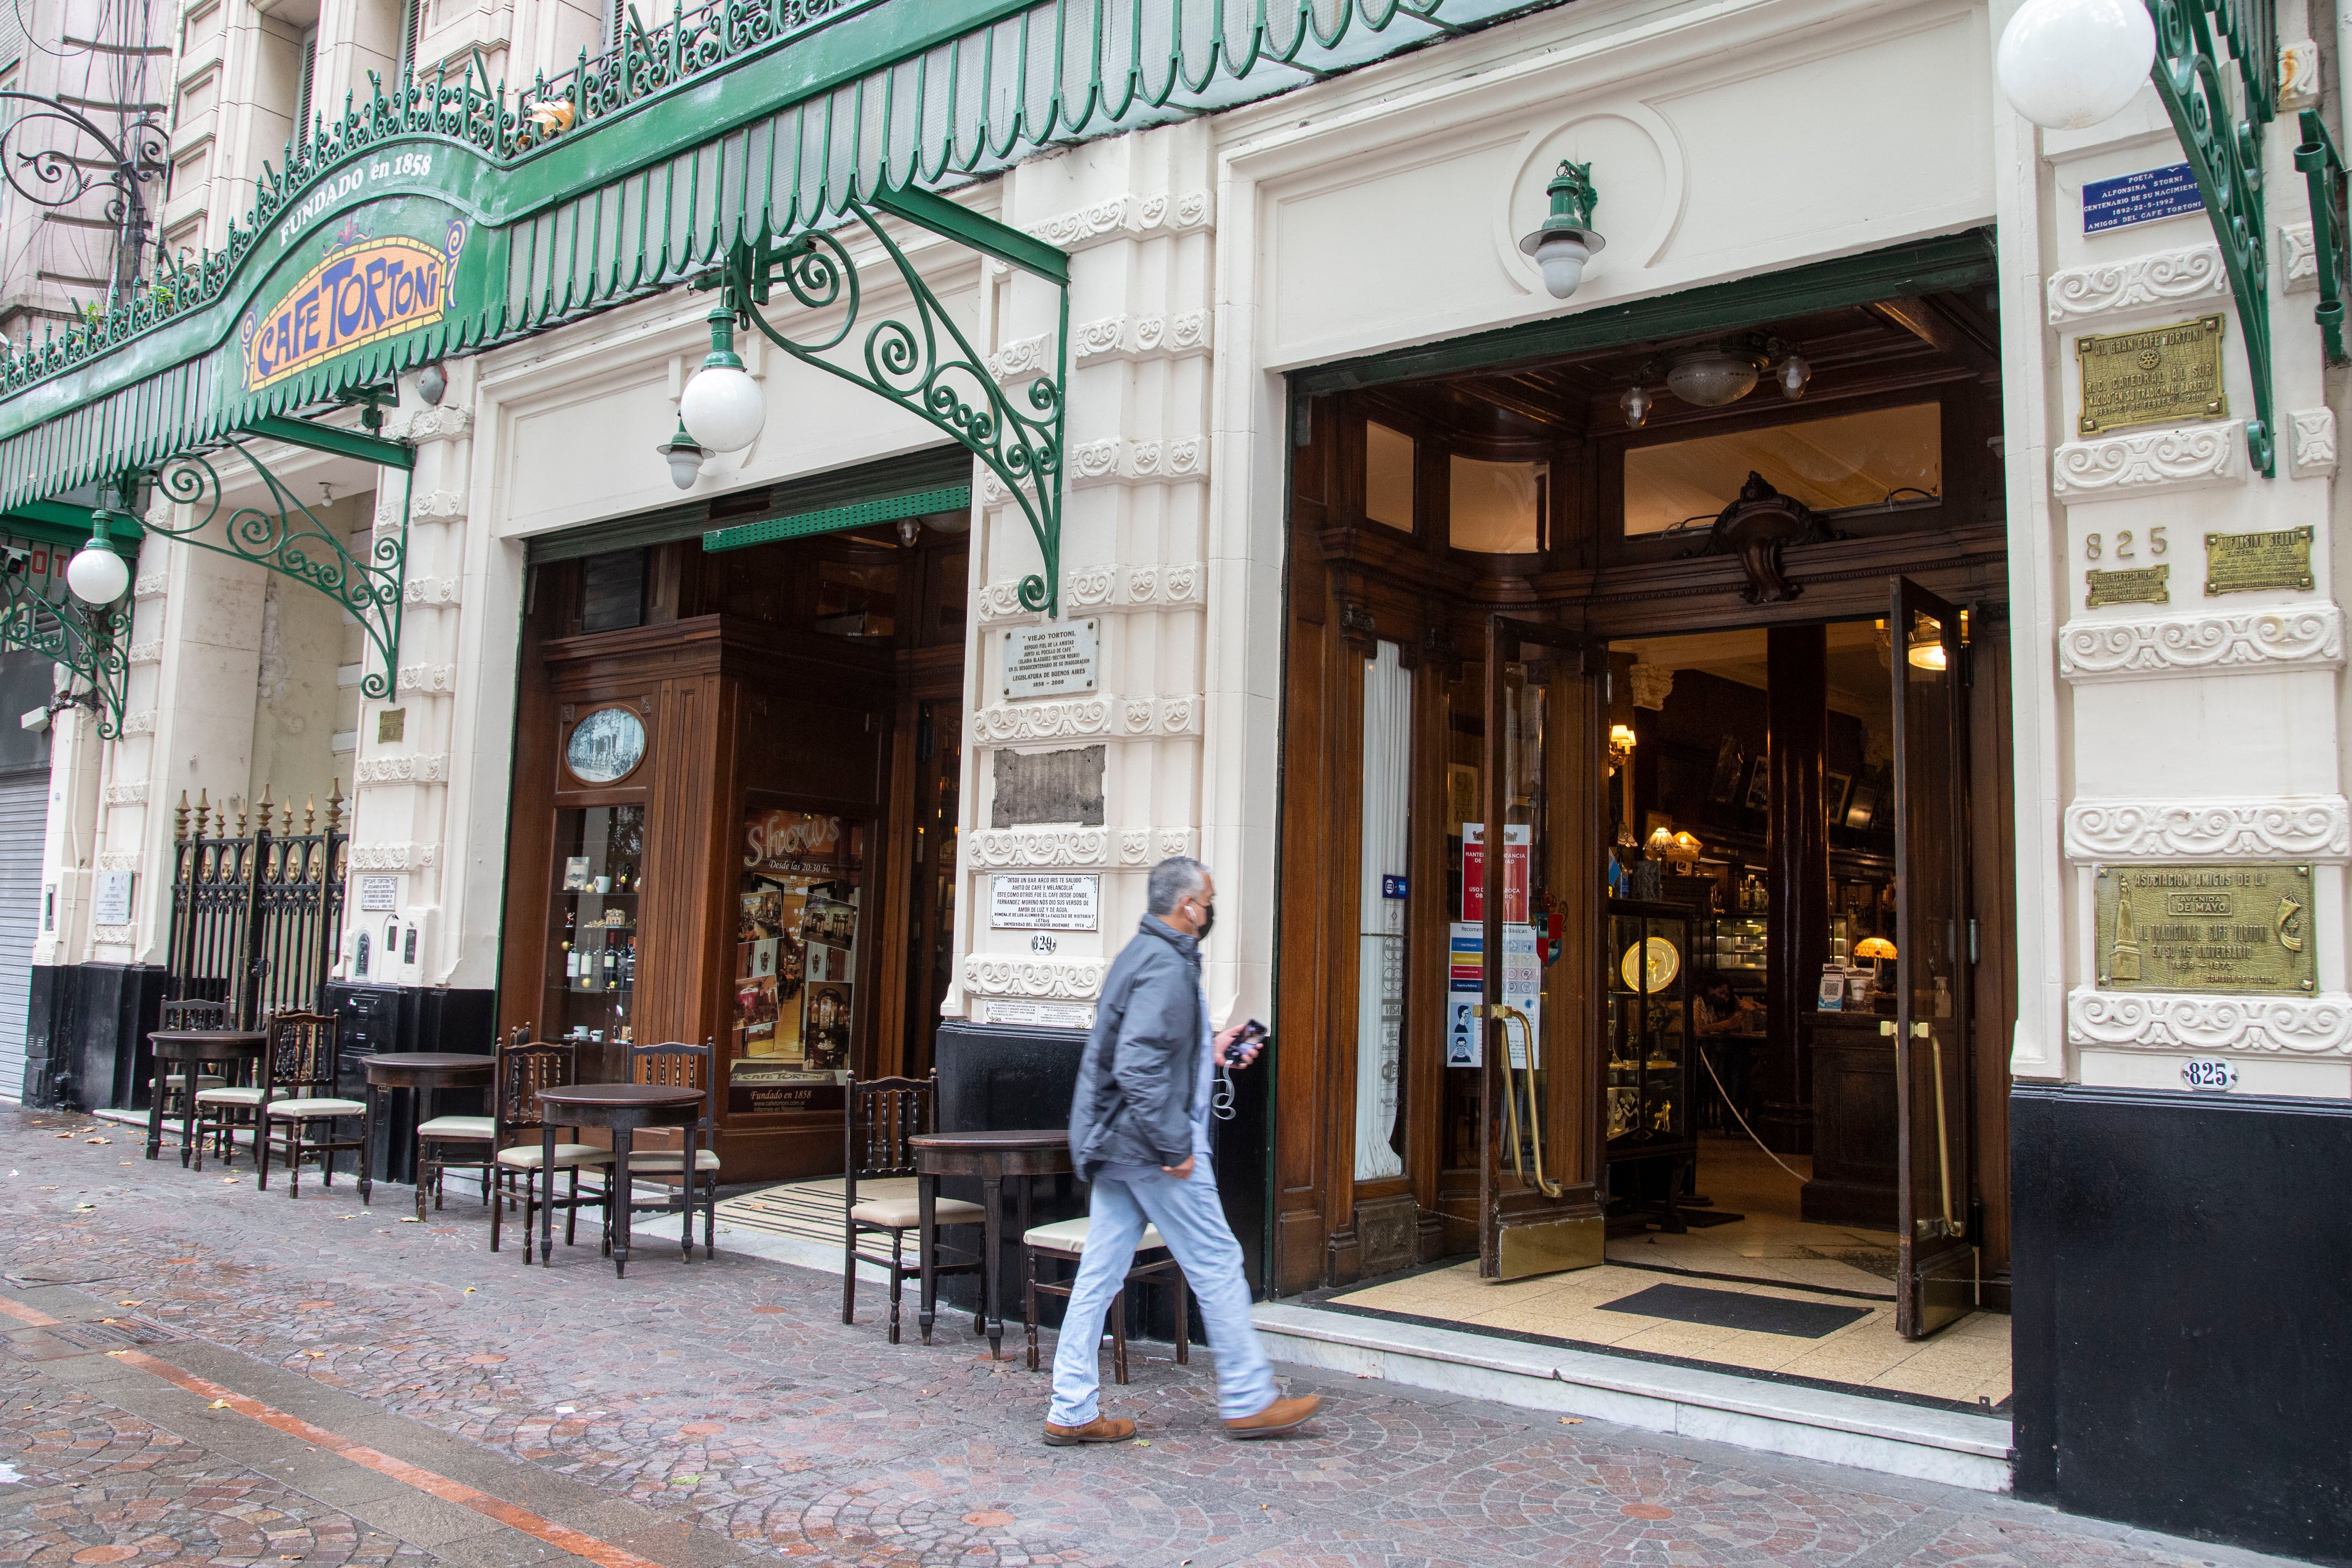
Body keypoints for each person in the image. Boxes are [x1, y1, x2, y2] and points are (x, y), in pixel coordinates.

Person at [1044, 856, 1322, 1447]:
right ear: (1186, 907)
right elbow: (1138, 1066)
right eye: (1208, 899)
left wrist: (1213, 1048)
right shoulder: (1167, 967)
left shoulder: (1144, 957)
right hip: (1153, 1146)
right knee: (1218, 1262)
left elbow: (1147, 1049)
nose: (1212, 909)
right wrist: (1175, 1148)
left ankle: (1070, 1408)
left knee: (1099, 1274)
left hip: (1121, 1143)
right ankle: (1248, 1399)